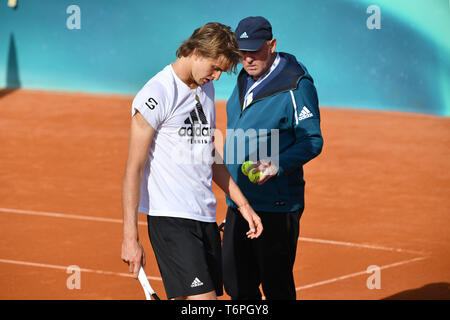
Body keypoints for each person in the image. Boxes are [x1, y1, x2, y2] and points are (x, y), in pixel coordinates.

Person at [121, 22, 263, 300]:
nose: (218, 77)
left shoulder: (204, 89)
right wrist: (130, 237)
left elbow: (208, 153)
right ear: (197, 51)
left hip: (204, 216)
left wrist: (243, 204)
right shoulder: (156, 94)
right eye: (215, 67)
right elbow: (133, 169)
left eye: (222, 70)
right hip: (171, 218)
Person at [222, 16, 323, 300]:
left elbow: (311, 140)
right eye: (242, 52)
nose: (248, 58)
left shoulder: (295, 84)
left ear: (272, 44)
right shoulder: (244, 77)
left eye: (256, 50)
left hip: (277, 205)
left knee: (276, 286)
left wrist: (276, 165)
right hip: (239, 201)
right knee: (237, 284)